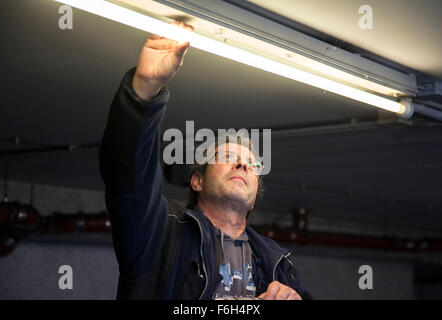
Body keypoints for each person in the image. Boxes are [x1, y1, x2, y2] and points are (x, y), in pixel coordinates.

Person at [99, 22, 311, 300]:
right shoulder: (161, 234)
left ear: (255, 197)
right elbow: (127, 175)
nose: (243, 165)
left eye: (252, 165)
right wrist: (145, 88)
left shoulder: (277, 261)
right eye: (227, 157)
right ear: (197, 180)